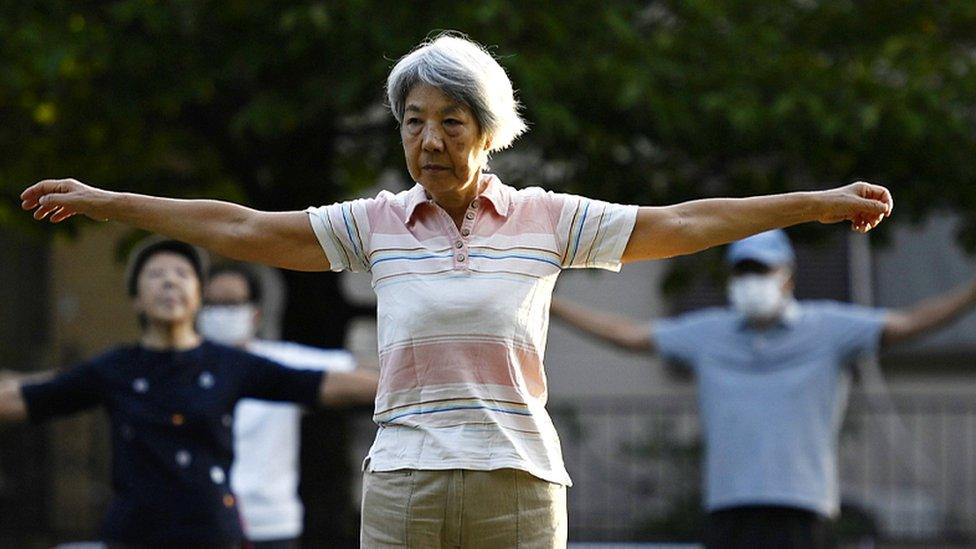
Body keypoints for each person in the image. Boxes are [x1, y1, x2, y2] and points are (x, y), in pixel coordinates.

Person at [20, 32, 894, 548]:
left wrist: (814, 202)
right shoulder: (375, 223)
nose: (428, 140)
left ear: (489, 131)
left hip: (520, 480)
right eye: (412, 122)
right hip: (404, 479)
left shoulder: (549, 218)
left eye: (450, 120)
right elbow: (245, 227)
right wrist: (107, 201)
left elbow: (687, 221)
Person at [549, 229, 976, 549]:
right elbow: (631, 334)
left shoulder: (828, 327)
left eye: (761, 270)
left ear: (787, 277)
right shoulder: (709, 333)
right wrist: (548, 302)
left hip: (802, 506)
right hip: (728, 505)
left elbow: (909, 323)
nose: (751, 281)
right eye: (743, 271)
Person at [0, 238, 377, 548]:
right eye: (156, 275)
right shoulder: (117, 367)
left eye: (182, 274)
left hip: (213, 532)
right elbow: (32, 397)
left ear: (196, 295)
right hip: (135, 534)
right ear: (135, 298)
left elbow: (320, 383)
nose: (169, 282)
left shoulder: (229, 364)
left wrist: (413, 386)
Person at [199, 263, 371, 548]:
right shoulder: (180, 369)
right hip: (199, 520)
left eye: (231, 304)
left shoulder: (278, 367)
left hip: (269, 523)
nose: (220, 314)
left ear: (254, 313)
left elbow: (352, 374)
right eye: (212, 304)